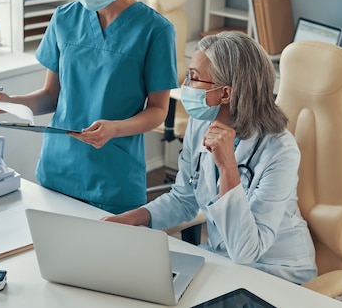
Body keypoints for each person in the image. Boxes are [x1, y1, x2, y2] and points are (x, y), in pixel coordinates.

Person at [0, 0, 177, 214]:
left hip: (113, 177)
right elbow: (51, 96)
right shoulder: (64, 19)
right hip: (57, 170)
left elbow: (158, 110)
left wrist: (115, 128)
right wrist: (9, 103)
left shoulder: (154, 30)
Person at [104, 31, 317, 284]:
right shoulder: (199, 124)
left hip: (276, 272)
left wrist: (227, 165)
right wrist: (130, 218)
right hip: (223, 259)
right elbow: (183, 200)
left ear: (225, 94)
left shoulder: (279, 151)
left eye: (193, 78)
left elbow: (247, 251)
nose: (185, 85)